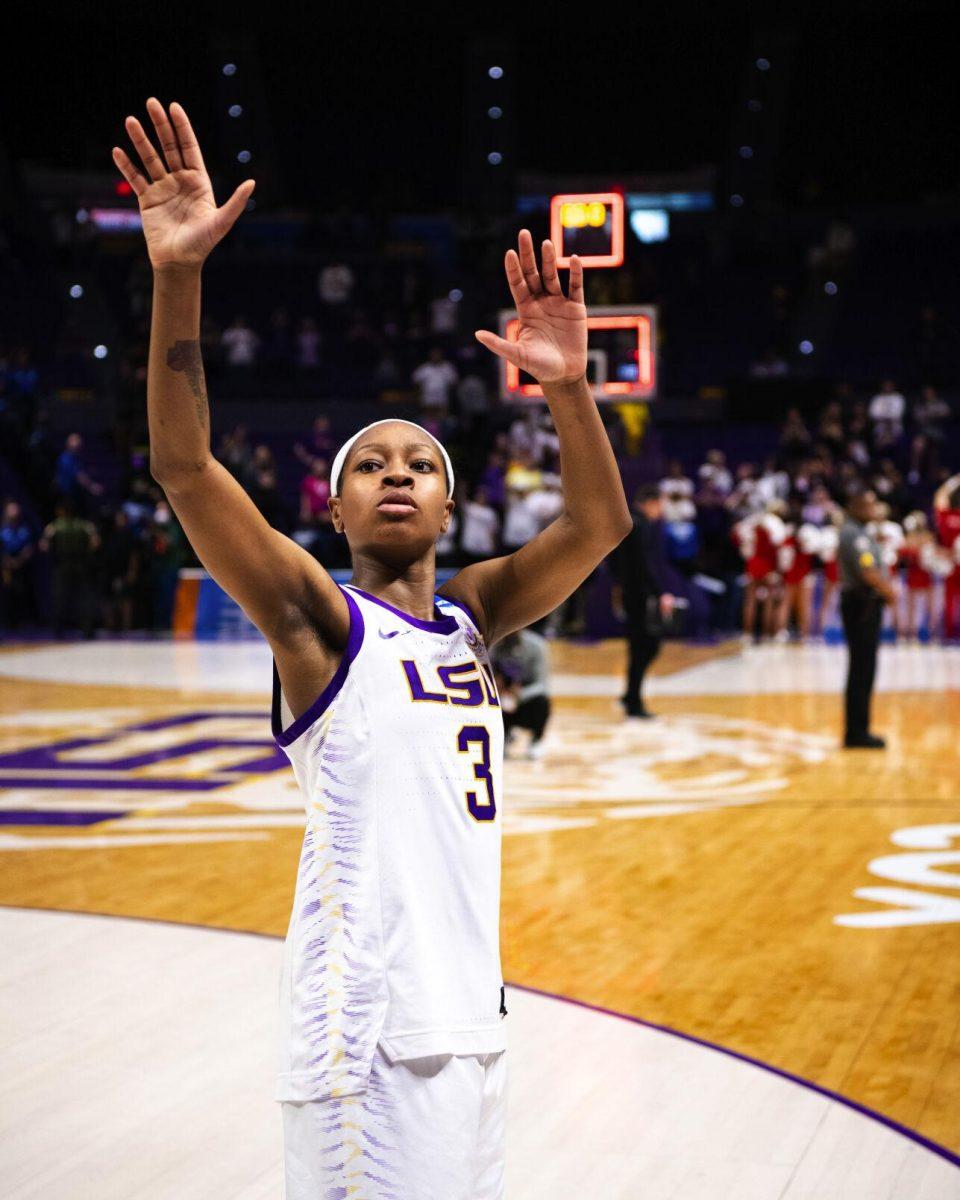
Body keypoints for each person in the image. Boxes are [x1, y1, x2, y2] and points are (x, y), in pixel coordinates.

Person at [114, 97, 631, 1200]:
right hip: (370, 1041)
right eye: (370, 464)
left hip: (468, 1022)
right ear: (335, 511)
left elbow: (598, 528)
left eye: (422, 463)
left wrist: (572, 392)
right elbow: (186, 469)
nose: (398, 471)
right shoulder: (323, 624)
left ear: (450, 511)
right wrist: (178, 275)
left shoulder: (469, 619)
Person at [610, 484, 675, 718]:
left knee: (639, 648)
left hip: (631, 594)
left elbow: (614, 561)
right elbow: (645, 565)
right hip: (640, 596)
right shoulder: (640, 525)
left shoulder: (627, 523)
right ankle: (634, 703)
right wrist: (659, 593)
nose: (661, 511)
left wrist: (619, 586)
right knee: (645, 646)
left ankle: (630, 696)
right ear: (651, 502)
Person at [838, 488, 896, 748]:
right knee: (862, 667)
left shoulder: (860, 532)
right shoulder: (854, 533)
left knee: (863, 667)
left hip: (865, 605)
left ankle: (858, 728)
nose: (874, 510)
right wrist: (890, 592)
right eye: (869, 505)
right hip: (861, 605)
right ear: (857, 506)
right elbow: (868, 571)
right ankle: (856, 731)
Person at [491, 627, 551, 759]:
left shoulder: (536, 645)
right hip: (502, 699)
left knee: (542, 701)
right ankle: (503, 737)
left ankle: (536, 741)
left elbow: (542, 684)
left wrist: (519, 696)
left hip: (526, 699)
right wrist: (499, 694)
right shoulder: (493, 645)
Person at [933, 471, 960, 640]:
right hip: (952, 561)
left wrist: (954, 480)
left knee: (949, 598)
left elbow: (939, 497)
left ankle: (949, 632)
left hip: (949, 561)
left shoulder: (945, 516)